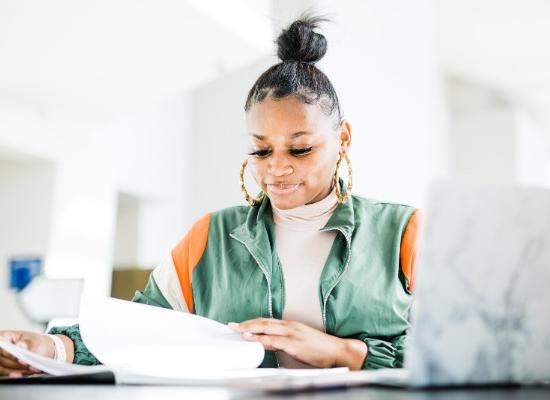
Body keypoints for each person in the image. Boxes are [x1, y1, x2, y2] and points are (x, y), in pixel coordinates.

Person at [0, 15, 420, 377]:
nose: (276, 167)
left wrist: (343, 351)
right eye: (260, 150)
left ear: (342, 138)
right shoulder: (209, 238)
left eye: (300, 148)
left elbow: (464, 353)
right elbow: (137, 331)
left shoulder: (403, 234)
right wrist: (51, 349)